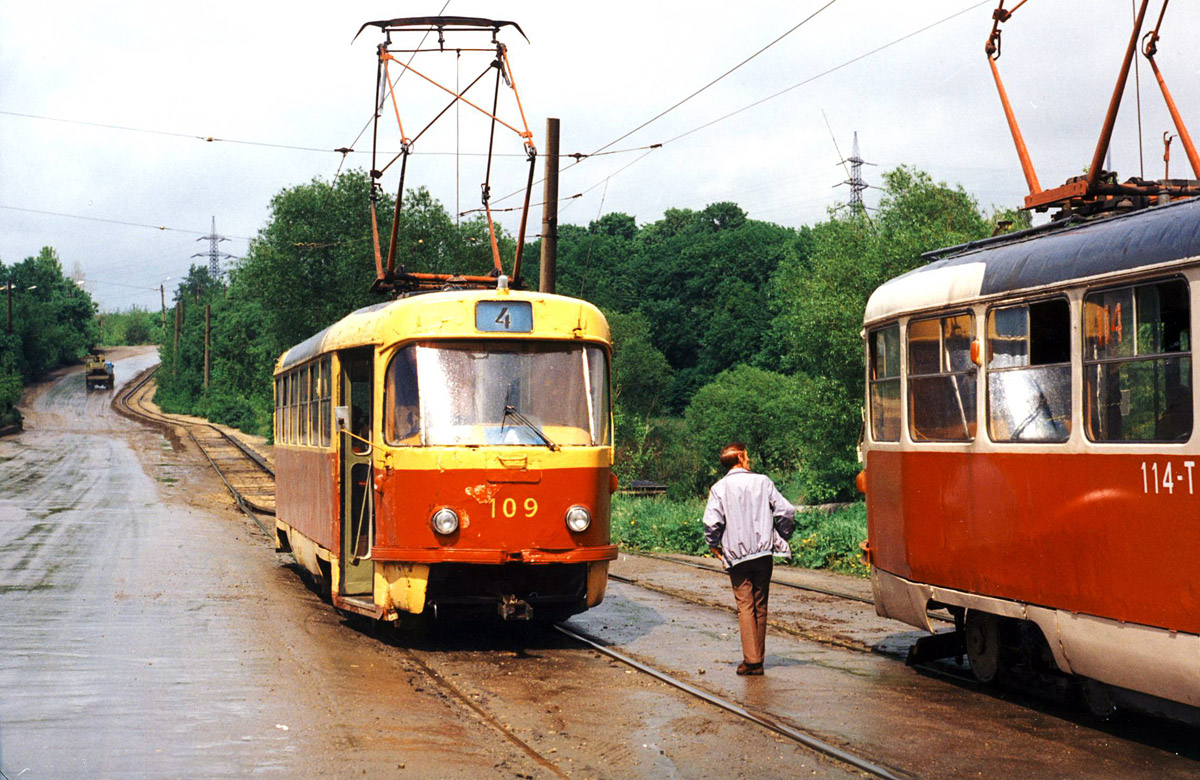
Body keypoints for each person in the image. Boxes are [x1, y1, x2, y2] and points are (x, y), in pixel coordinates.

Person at [702, 442, 796, 676]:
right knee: (760, 604)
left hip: (737, 556)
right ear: (741, 457)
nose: (750, 459)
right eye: (748, 455)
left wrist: (714, 545)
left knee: (745, 606)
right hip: (764, 553)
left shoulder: (719, 488)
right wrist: (782, 534)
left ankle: (751, 661)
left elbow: (711, 522)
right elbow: (786, 511)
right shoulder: (763, 481)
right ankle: (758, 659)